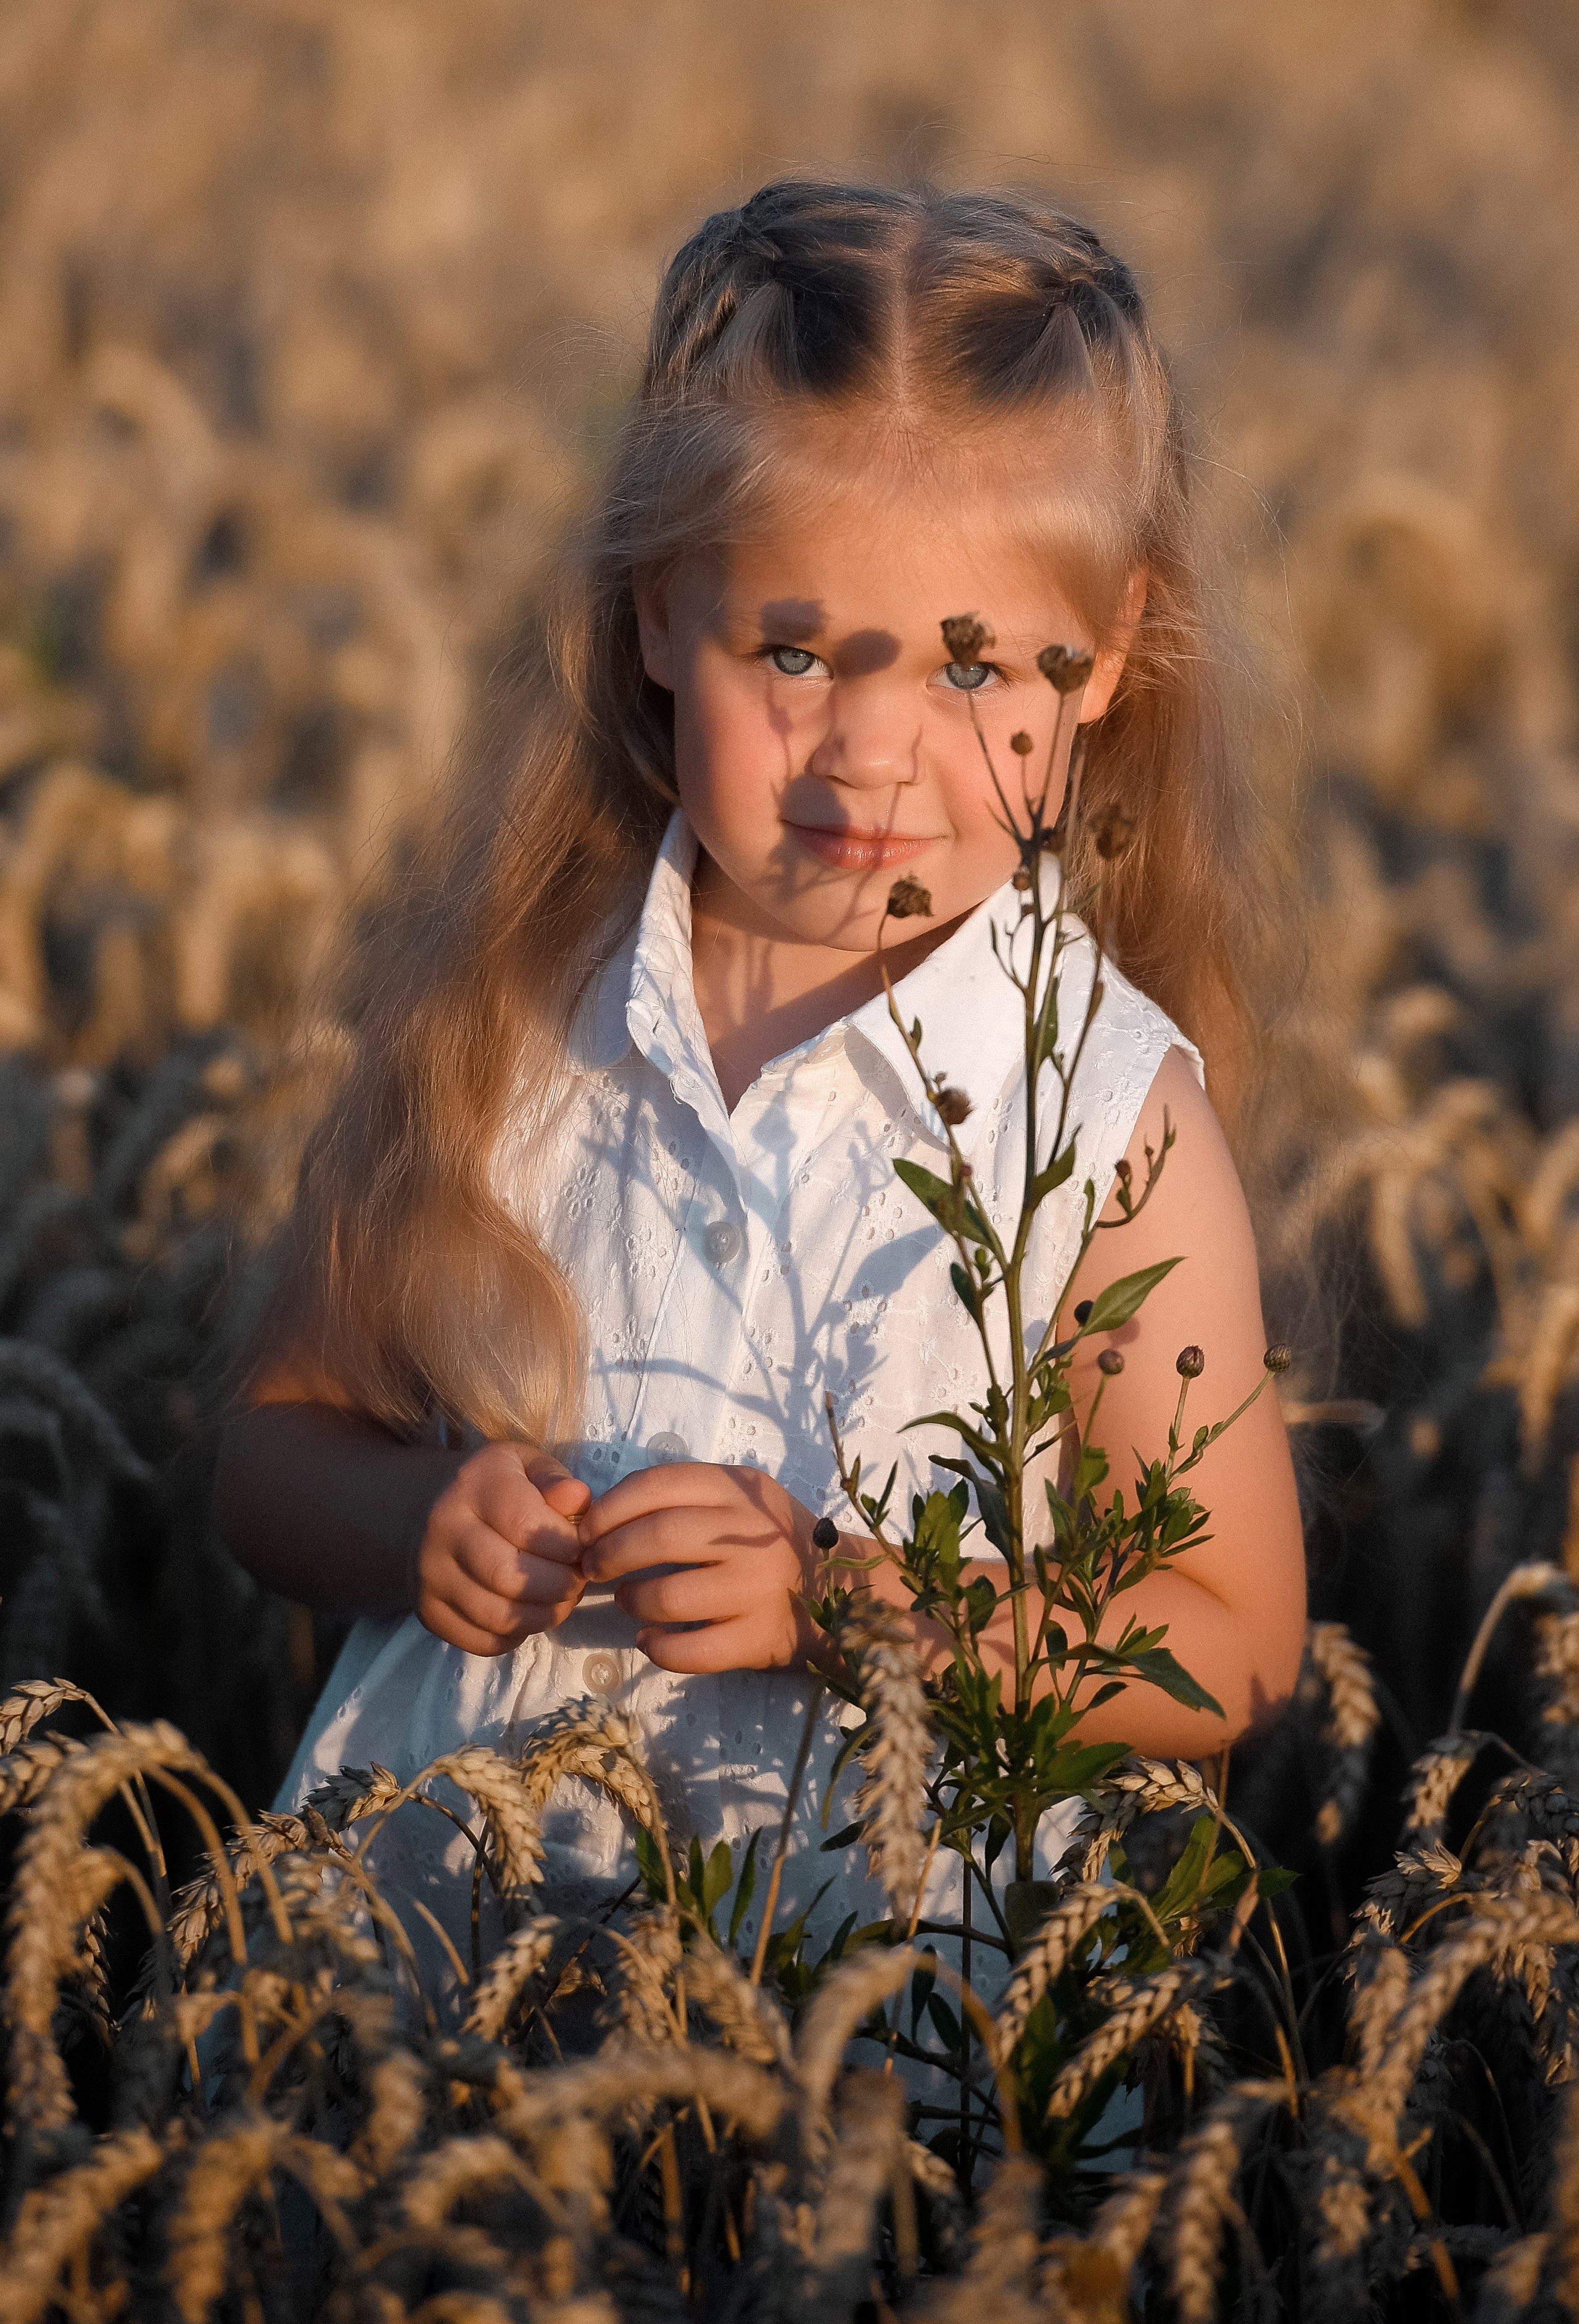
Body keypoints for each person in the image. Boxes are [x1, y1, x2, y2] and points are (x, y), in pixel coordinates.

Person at [215, 180, 1307, 1997]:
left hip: (886, 2023)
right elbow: (272, 1443)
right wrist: (413, 1526)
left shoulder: (1106, 1115)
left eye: (971, 664)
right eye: (792, 651)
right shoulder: (503, 1018)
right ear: (659, 619)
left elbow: (1234, 1632)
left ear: (1106, 656)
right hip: (434, 1971)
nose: (873, 748)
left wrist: (852, 1613)